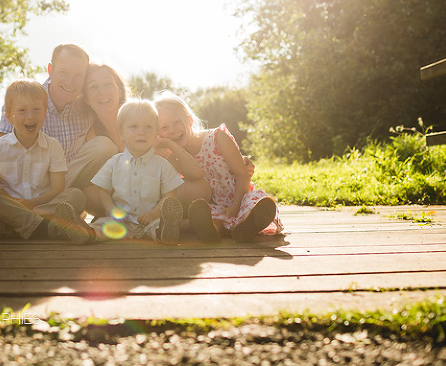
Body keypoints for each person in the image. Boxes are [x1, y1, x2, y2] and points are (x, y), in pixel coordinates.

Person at [0, 44, 118, 228]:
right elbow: (0, 149)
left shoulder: (86, 108)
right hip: (12, 185)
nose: (70, 81)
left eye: (78, 76)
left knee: (103, 146)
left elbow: (96, 157)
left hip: (56, 188)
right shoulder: (24, 98)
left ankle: (7, 213)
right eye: (64, 73)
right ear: (50, 70)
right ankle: (20, 209)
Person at [79, 63, 213, 217]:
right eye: (94, 87)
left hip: (157, 194)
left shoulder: (146, 117)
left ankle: (159, 217)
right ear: (86, 98)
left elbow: (185, 143)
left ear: (119, 89)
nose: (102, 92)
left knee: (201, 188)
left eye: (108, 84)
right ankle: (136, 220)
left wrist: (168, 145)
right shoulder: (91, 135)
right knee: (87, 194)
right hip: (121, 199)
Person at [155, 92, 284, 243]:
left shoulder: (217, 138)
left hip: (240, 196)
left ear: (189, 120)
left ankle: (247, 225)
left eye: (176, 122)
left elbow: (242, 174)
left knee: (254, 203)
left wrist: (235, 206)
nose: (172, 130)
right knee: (205, 216)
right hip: (212, 206)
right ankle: (211, 231)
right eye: (164, 127)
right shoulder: (176, 158)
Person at [55, 99, 185, 244]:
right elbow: (103, 190)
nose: (141, 132)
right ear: (121, 134)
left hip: (150, 220)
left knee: (157, 227)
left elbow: (169, 194)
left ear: (156, 134)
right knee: (103, 226)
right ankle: (84, 232)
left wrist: (154, 214)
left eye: (148, 127)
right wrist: (111, 210)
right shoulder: (113, 162)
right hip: (120, 221)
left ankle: (166, 233)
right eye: (134, 127)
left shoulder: (162, 165)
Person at [0, 79, 86, 240]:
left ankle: (9, 225)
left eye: (36, 109)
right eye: (22, 111)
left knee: (77, 195)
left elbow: (58, 188)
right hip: (10, 204)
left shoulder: (53, 146)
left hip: (40, 204)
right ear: (9, 116)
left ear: (45, 112)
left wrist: (32, 204)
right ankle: (46, 228)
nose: (30, 116)